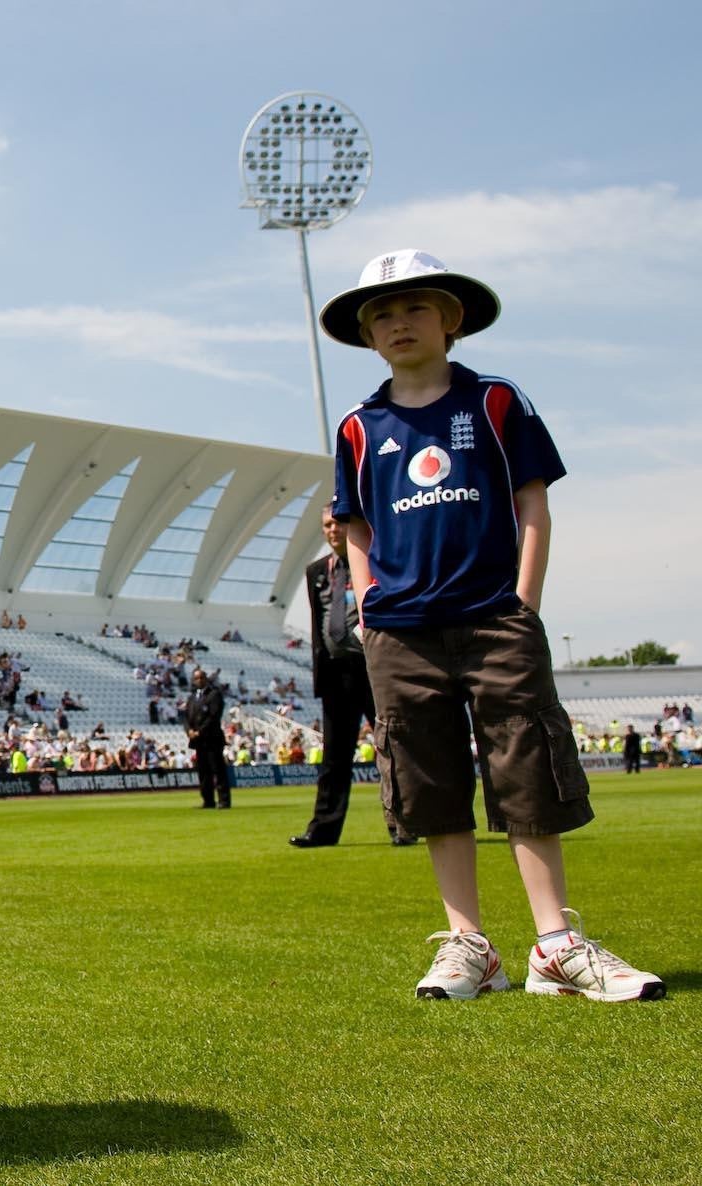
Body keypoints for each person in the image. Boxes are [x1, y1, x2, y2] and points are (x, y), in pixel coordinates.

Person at [324, 249, 661, 1002]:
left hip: (494, 619)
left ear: (452, 319)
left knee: (526, 768)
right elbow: (352, 525)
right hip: (401, 633)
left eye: (414, 307)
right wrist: (369, 601)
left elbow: (533, 501)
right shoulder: (357, 426)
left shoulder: (496, 401)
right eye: (380, 313)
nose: (397, 322)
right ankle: (470, 945)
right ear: (366, 335)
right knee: (429, 776)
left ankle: (556, 943)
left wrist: (524, 601)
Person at [291, 505, 411, 848]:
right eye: (327, 525)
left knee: (391, 749)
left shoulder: (375, 562)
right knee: (334, 758)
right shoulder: (317, 571)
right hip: (335, 674)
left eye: (338, 523)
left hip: (374, 670)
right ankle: (323, 830)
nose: (332, 530)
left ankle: (402, 825)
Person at [184, 667, 229, 809]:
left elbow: (213, 716)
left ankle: (224, 800)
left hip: (212, 738)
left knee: (218, 770)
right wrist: (189, 730)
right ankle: (208, 800)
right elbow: (186, 716)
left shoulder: (214, 695)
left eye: (201, 678)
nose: (199, 680)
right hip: (199, 741)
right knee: (203, 772)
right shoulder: (192, 697)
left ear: (206, 679)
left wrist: (200, 731)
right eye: (196, 678)